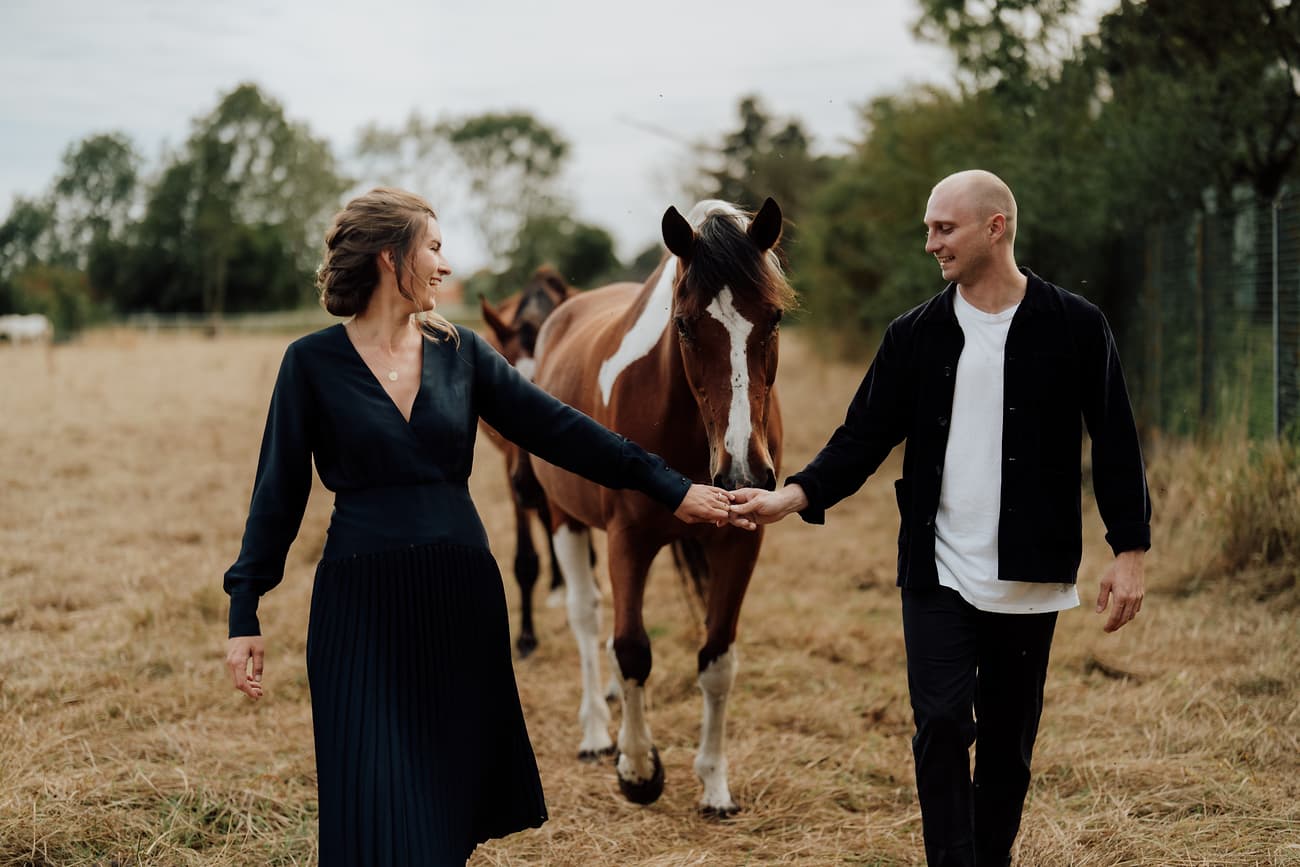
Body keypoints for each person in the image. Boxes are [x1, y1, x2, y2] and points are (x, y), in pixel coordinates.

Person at [222, 187, 735, 866]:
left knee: (442, 802)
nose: (444, 264)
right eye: (432, 247)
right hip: (360, 609)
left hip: (458, 598)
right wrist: (244, 609)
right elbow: (276, 497)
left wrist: (673, 488)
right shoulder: (310, 365)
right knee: (371, 795)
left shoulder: (462, 353)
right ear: (389, 257)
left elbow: (566, 432)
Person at [728, 170, 1150, 866]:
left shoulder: (1076, 325)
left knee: (1010, 749)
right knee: (942, 724)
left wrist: (1129, 548)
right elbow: (863, 435)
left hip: (1029, 573)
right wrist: (794, 494)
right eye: (928, 228)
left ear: (995, 227)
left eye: (943, 227)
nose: (929, 243)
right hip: (937, 568)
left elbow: (1115, 439)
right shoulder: (915, 335)